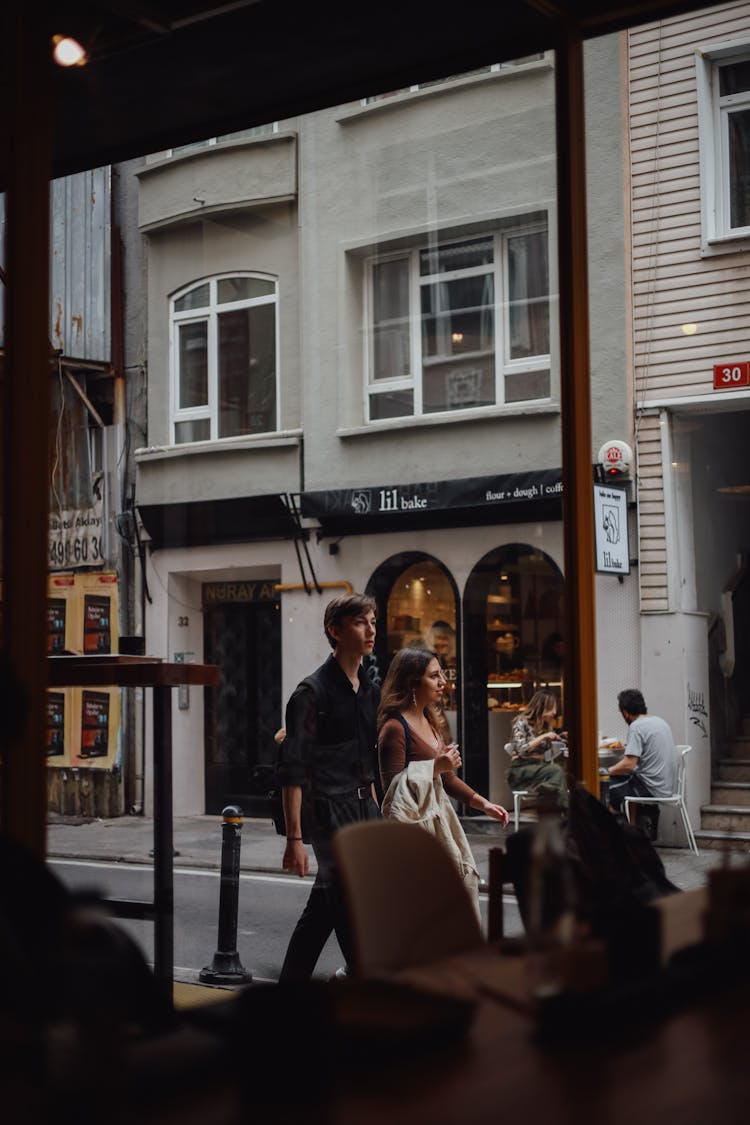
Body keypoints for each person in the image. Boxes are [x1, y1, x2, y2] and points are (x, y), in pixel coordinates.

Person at [277, 593, 381, 982]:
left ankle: (289, 994)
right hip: (327, 815)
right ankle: (367, 983)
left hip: (363, 811)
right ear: (335, 631)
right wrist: (294, 839)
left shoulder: (369, 691)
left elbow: (367, 763)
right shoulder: (312, 693)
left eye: (373, 620)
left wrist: (377, 814)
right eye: (360, 622)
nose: (371, 629)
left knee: (322, 910)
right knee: (351, 912)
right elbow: (294, 769)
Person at [378, 648, 508, 909]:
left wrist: (483, 804)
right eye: (434, 676)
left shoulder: (429, 719)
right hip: (414, 834)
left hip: (440, 823)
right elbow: (390, 794)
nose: (443, 682)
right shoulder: (395, 728)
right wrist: (436, 766)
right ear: (413, 681)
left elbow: (447, 780)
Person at [608, 688, 678, 840]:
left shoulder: (636, 727)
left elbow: (629, 764)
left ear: (625, 713)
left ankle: (616, 836)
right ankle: (632, 830)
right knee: (629, 781)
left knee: (608, 786)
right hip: (666, 786)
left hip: (652, 788)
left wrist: (606, 771)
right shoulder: (660, 722)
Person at [506, 689, 569, 810]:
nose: (555, 712)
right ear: (542, 707)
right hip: (521, 770)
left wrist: (560, 737)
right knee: (556, 771)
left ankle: (554, 811)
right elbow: (521, 750)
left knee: (557, 778)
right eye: (552, 708)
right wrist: (543, 737)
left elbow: (546, 747)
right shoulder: (521, 722)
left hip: (540, 769)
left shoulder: (545, 726)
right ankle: (564, 812)